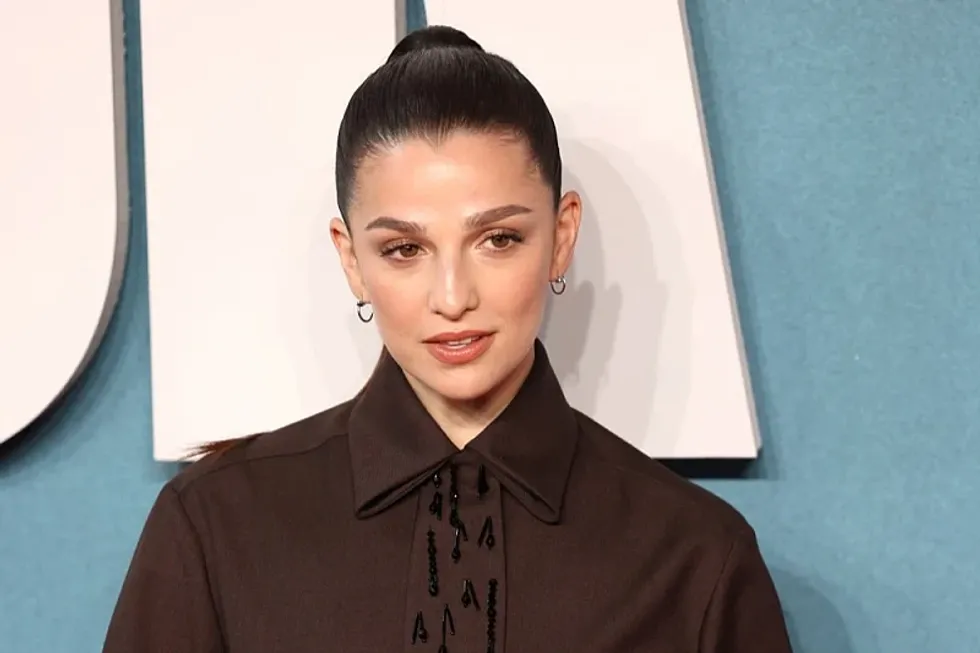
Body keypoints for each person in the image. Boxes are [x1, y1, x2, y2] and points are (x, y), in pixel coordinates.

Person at [103, 25, 793, 653]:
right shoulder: (216, 527)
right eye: (405, 249)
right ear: (351, 259)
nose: (454, 297)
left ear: (562, 237)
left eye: (499, 239)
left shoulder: (696, 557)